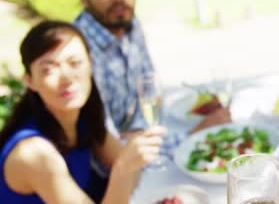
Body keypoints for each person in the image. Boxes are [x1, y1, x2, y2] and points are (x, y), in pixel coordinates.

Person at [72, 0, 230, 194]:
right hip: (108, 184)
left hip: (146, 155)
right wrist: (193, 135)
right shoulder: (78, 52)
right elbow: (110, 155)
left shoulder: (128, 25)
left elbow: (151, 96)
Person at [0, 21, 166, 203]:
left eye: (75, 63)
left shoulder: (83, 117)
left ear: (91, 63)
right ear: (30, 81)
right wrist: (123, 168)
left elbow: (132, 176)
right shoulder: (34, 154)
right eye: (48, 70)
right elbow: (124, 168)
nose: (67, 77)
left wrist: (128, 163)